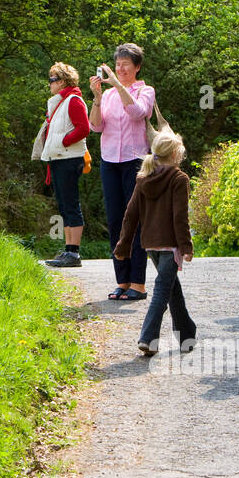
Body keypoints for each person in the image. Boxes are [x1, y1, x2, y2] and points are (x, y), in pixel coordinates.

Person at [114, 130, 195, 355]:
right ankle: (148, 338)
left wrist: (123, 246)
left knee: (171, 288)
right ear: (177, 154)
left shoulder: (143, 179)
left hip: (150, 245)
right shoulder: (179, 179)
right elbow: (180, 217)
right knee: (162, 290)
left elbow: (130, 215)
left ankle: (186, 333)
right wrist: (186, 246)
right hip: (170, 245)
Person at [90, 42, 155, 300]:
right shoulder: (106, 96)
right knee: (116, 220)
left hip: (135, 161)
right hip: (110, 161)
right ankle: (123, 281)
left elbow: (138, 113)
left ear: (137, 67)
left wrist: (118, 84)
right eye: (117, 65)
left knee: (136, 220)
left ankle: (138, 282)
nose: (120, 69)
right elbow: (95, 127)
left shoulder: (145, 91)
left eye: (125, 65)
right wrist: (96, 97)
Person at [37, 62, 90, 267]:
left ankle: (74, 253)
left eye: (52, 80)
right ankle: (68, 250)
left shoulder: (73, 101)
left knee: (71, 204)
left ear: (62, 81)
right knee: (64, 205)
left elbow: (83, 128)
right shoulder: (60, 102)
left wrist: (62, 142)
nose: (49, 84)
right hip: (59, 158)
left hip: (69, 157)